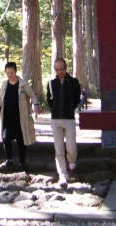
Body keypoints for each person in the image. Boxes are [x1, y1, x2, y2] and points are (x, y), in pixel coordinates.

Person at [0, 62, 40, 172]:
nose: (10, 75)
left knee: (21, 140)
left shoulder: (23, 84)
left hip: (20, 117)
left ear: (16, 72)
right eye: (8, 73)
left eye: (12, 72)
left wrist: (36, 104)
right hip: (7, 117)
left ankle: (22, 162)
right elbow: (1, 100)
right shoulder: (4, 84)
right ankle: (8, 160)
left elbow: (32, 95)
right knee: (5, 138)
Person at [46, 57, 81, 188]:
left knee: (71, 147)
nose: (60, 71)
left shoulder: (73, 82)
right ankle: (62, 175)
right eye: (57, 69)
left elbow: (77, 98)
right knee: (58, 149)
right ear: (55, 70)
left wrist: (71, 107)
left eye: (62, 69)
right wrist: (54, 109)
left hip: (69, 118)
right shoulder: (51, 83)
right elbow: (49, 99)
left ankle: (72, 163)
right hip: (55, 119)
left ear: (66, 68)